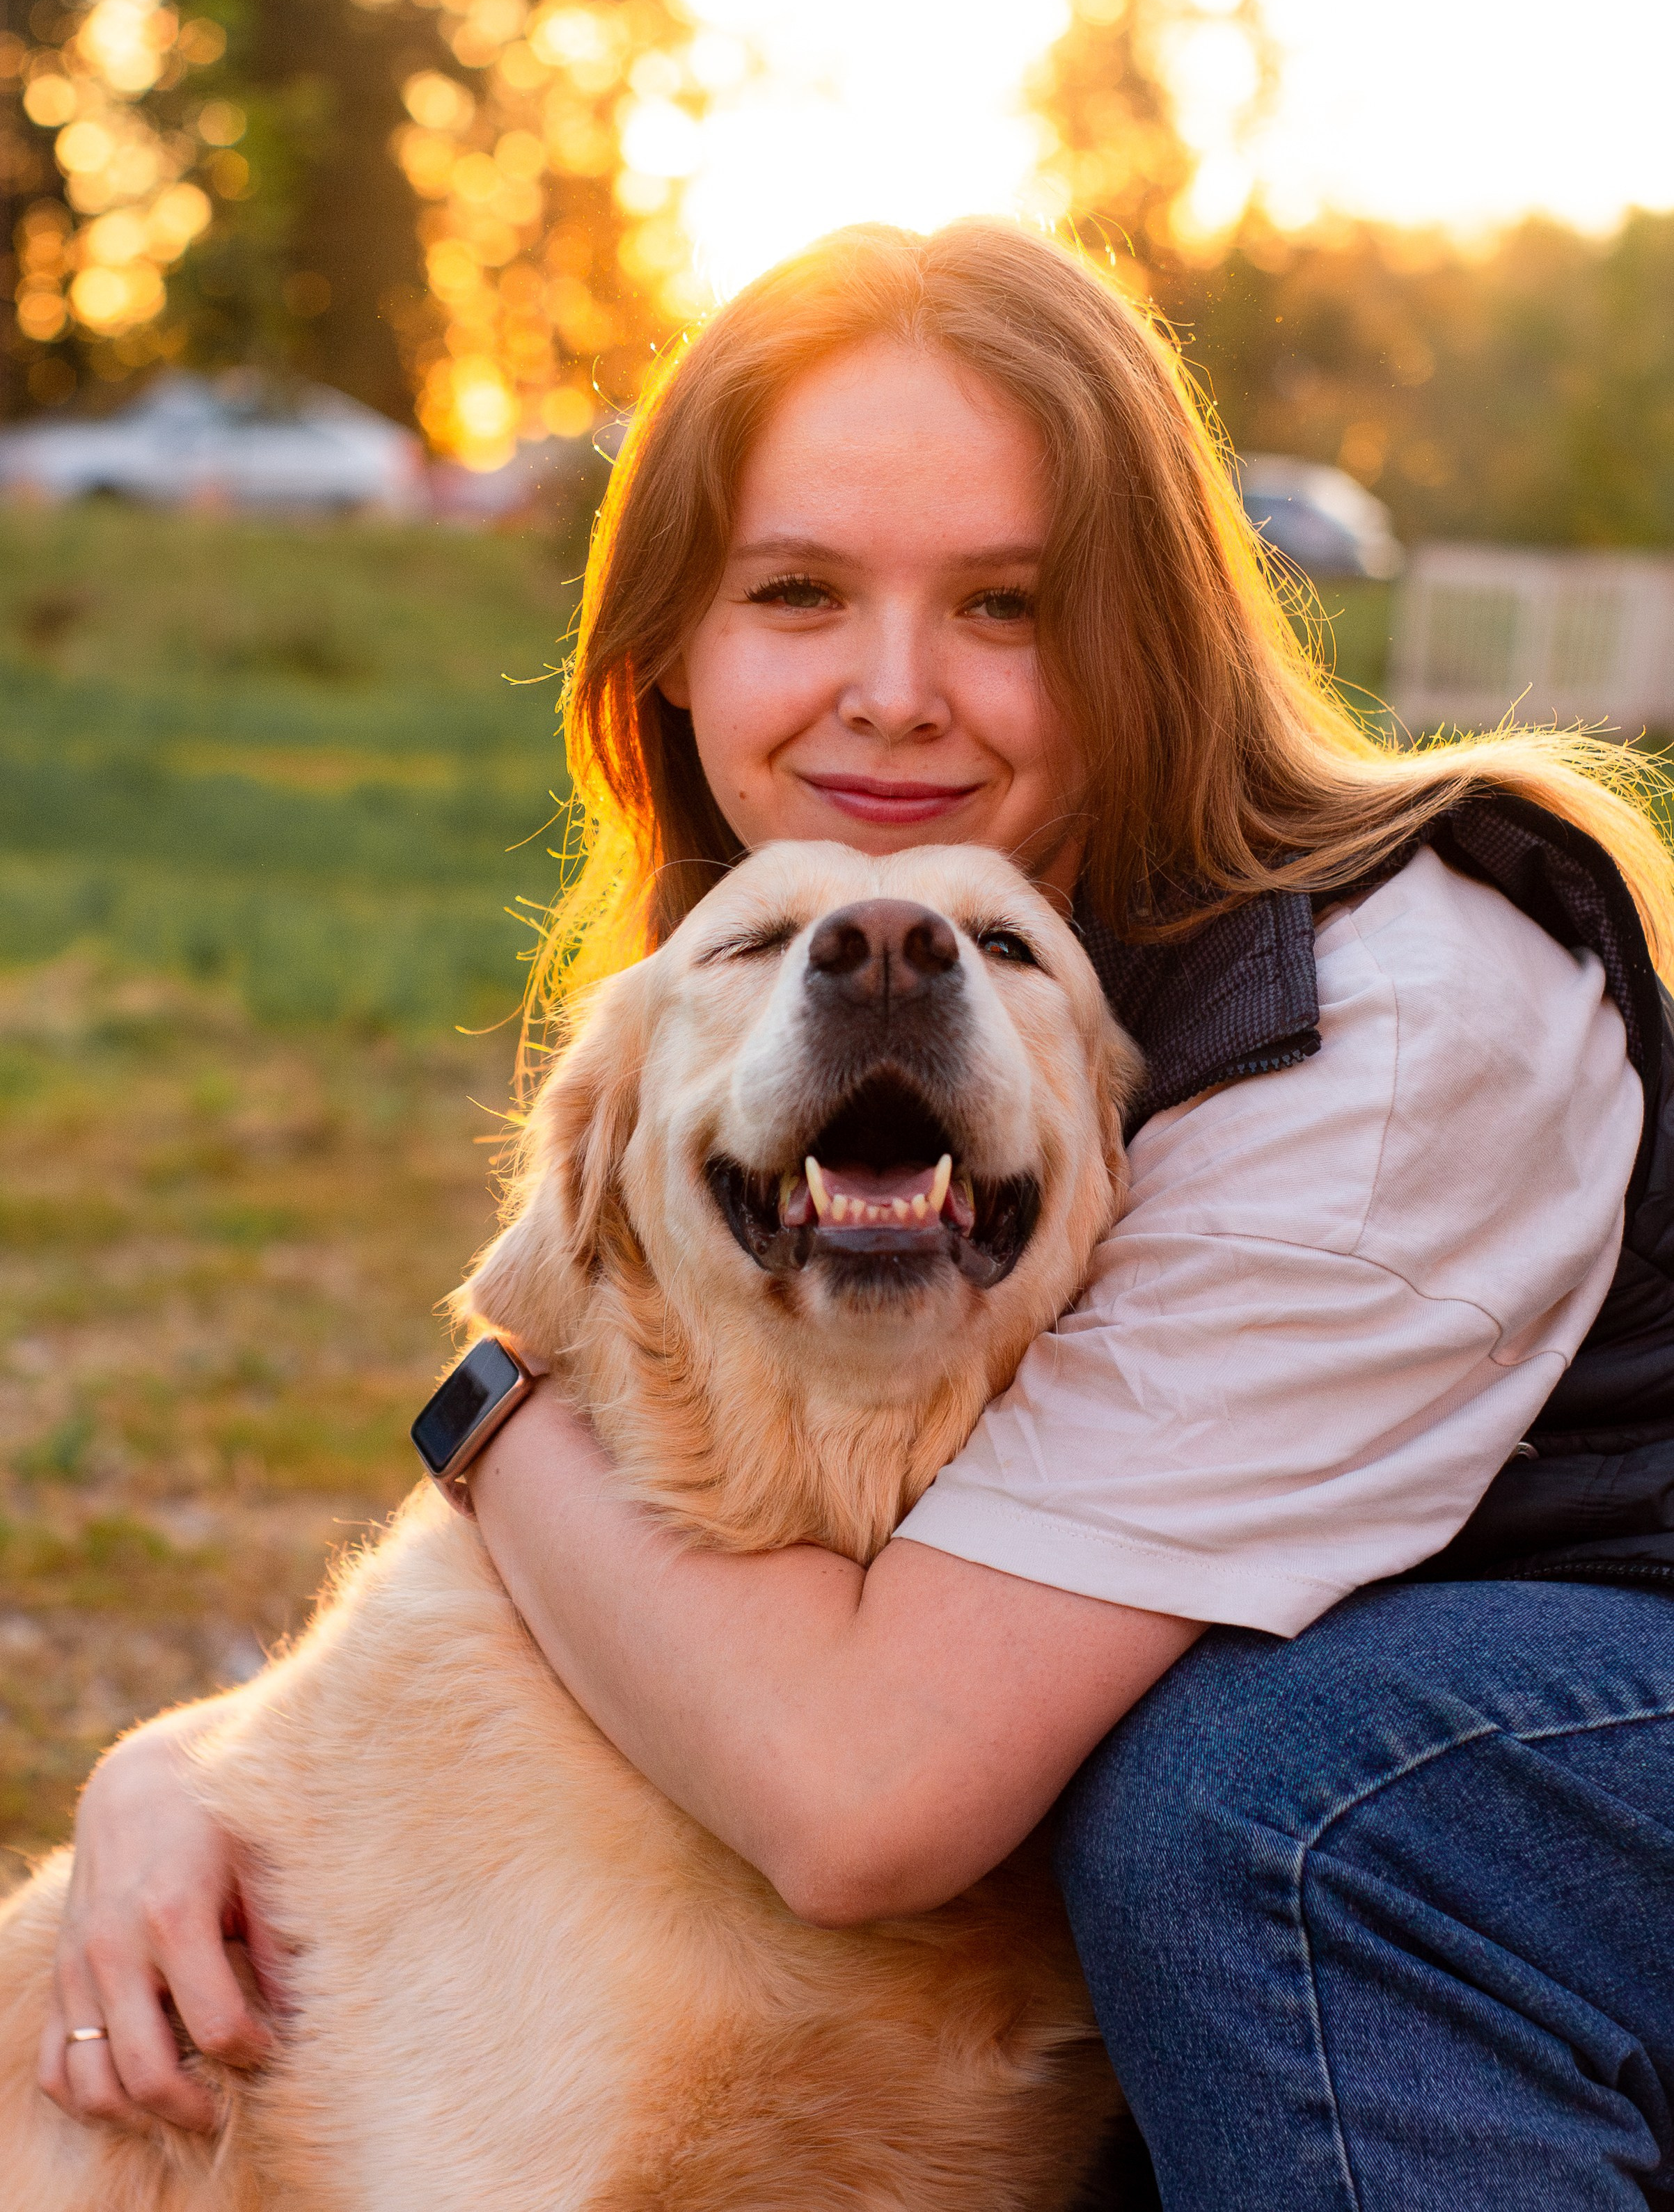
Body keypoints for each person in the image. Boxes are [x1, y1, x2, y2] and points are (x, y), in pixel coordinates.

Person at [39, 223, 1674, 2211]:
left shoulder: (1393, 1022)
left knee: (1266, 1795)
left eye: (1006, 602)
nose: (894, 696)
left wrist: (488, 1404)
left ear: (1149, 633)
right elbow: (534, 1661)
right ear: (670, 657)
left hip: (1560, 1770)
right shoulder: (782, 1009)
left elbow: (871, 1793)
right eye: (798, 591)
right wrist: (179, 1777)